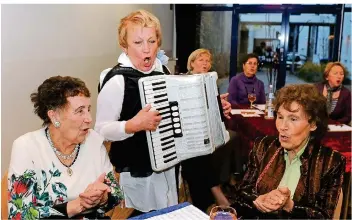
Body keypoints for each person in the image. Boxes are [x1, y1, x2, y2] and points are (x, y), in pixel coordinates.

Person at [95, 10, 177, 214]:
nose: (147, 50)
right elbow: (101, 130)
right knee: (141, 213)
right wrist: (134, 125)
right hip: (136, 169)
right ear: (125, 46)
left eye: (151, 41)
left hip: (167, 163)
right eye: (138, 43)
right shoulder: (117, 80)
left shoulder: (163, 70)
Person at [7, 76, 123, 219]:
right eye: (80, 111)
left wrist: (103, 197)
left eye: (88, 109)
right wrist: (75, 206)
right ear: (54, 116)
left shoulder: (94, 141)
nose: (89, 118)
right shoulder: (26, 147)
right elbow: (19, 214)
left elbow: (117, 194)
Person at [231, 84, 346, 219]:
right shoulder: (263, 146)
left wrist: (290, 206)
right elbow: (240, 196)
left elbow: (324, 216)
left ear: (313, 124)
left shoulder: (330, 162)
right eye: (280, 117)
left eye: (293, 119)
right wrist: (257, 199)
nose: (283, 127)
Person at [181, 48, 235, 212]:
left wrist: (221, 105)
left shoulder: (210, 81)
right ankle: (214, 194)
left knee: (229, 142)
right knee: (199, 157)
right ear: (191, 63)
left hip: (206, 132)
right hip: (187, 133)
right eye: (201, 60)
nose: (205, 63)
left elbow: (213, 111)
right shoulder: (182, 82)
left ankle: (203, 199)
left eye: (207, 61)